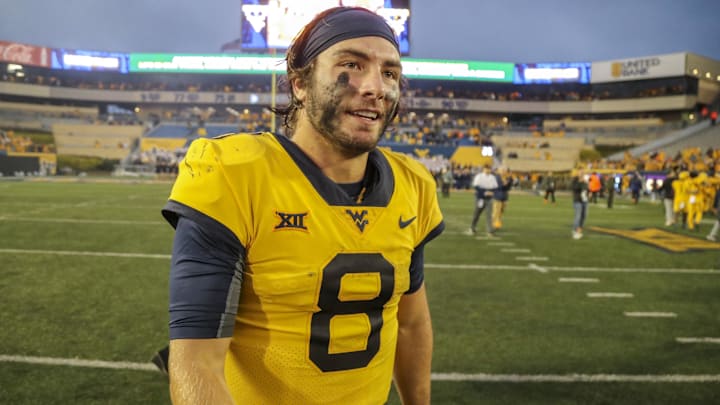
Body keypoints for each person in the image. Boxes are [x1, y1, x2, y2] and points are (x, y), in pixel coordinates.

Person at [158, 7, 444, 404]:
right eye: (352, 64)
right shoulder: (235, 173)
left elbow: (410, 324)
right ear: (300, 85)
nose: (375, 86)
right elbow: (196, 360)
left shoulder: (412, 186)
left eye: (390, 73)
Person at [466, 164, 499, 237]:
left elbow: (495, 187)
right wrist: (485, 192)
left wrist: (491, 192)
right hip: (480, 198)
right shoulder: (479, 176)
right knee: (476, 214)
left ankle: (489, 230)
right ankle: (472, 228)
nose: (488, 170)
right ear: (483, 169)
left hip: (489, 198)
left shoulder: (492, 177)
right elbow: (476, 187)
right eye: (486, 168)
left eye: (489, 169)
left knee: (489, 215)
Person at [571, 170, 589, 239]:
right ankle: (575, 230)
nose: (581, 174)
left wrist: (589, 192)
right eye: (580, 173)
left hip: (585, 201)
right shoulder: (575, 180)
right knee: (577, 216)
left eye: (582, 173)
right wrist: (580, 182)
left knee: (584, 215)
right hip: (577, 201)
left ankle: (580, 228)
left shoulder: (585, 180)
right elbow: (574, 188)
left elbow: (586, 189)